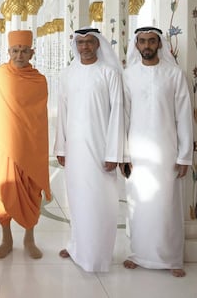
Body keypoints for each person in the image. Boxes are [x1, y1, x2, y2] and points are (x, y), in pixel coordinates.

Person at [122, 26, 193, 278]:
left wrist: (184, 154)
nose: (147, 45)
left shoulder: (174, 74)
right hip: (138, 151)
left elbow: (184, 116)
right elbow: (125, 116)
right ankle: (138, 254)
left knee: (166, 203)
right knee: (138, 203)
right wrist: (124, 154)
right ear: (137, 45)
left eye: (152, 41)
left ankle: (172, 258)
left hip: (166, 149)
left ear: (159, 44)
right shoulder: (128, 75)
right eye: (142, 41)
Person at [54, 27, 126, 272]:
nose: (84, 47)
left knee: (100, 201)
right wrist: (60, 147)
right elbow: (62, 113)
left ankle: (97, 255)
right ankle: (77, 247)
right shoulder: (67, 74)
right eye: (80, 42)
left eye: (89, 42)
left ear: (98, 45)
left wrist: (114, 153)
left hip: (100, 148)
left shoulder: (110, 73)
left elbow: (118, 114)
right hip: (74, 149)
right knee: (76, 199)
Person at [0, 29, 51, 259]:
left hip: (30, 145)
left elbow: (38, 117)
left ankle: (29, 238)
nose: (19, 55)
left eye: (24, 51)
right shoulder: (0, 75)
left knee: (32, 191)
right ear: (8, 51)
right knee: (2, 192)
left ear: (32, 52)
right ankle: (6, 238)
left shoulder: (39, 80)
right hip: (3, 146)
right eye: (15, 50)